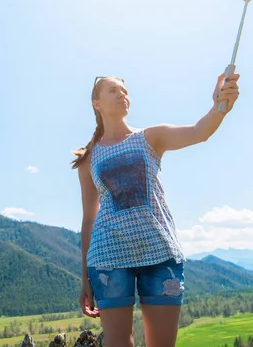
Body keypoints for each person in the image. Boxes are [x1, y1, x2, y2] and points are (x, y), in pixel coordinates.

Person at [70, 72, 240, 347]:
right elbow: (89, 220)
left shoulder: (151, 137)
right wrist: (85, 278)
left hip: (159, 252)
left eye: (125, 90)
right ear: (96, 103)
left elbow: (200, 132)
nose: (122, 94)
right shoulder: (89, 158)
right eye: (113, 90)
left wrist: (220, 106)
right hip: (108, 258)